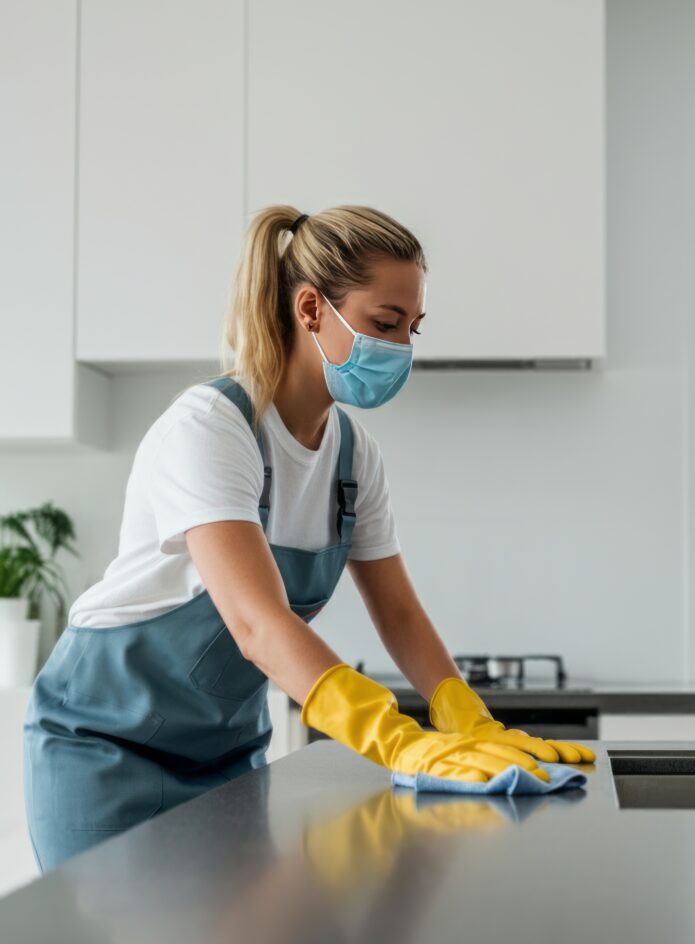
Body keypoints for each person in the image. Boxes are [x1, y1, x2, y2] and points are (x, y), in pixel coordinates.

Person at [24, 205, 594, 871]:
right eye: (385, 324)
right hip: (104, 751)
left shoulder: (354, 457)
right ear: (311, 308)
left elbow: (401, 614)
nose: (402, 348)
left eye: (413, 329)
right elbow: (255, 622)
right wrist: (392, 737)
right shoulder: (211, 429)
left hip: (226, 754)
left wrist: (466, 715)